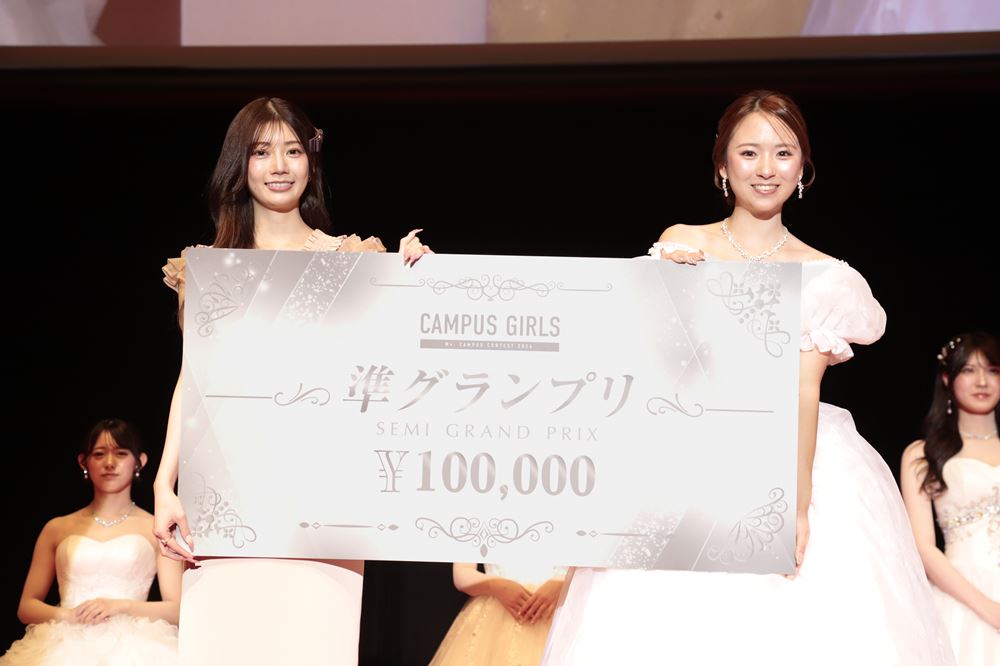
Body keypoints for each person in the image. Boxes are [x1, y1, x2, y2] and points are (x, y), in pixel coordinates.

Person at [541, 90, 955, 665]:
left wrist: (796, 506)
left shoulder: (825, 276)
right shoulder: (684, 243)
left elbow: (803, 390)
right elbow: (638, 361)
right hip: (684, 461)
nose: (766, 169)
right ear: (722, 165)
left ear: (803, 168)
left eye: (783, 154)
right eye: (749, 152)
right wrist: (668, 292)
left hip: (791, 458)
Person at [154, 96, 431, 666]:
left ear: (311, 161)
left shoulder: (350, 260)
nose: (279, 166)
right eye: (261, 152)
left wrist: (413, 284)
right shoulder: (211, 267)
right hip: (228, 500)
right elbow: (194, 379)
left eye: (293, 151)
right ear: (239, 164)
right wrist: (164, 484)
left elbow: (387, 368)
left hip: (319, 502)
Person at [1, 418, 180, 665]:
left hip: (134, 646)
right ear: (83, 462)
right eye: (99, 454)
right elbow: (27, 607)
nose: (109, 463)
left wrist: (120, 606)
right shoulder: (57, 528)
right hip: (63, 642)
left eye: (121, 453)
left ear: (140, 461)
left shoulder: (157, 528)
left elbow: (177, 608)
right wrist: (69, 615)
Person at [900, 332, 999, 665]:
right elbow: (923, 548)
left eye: (993, 370)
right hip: (960, 597)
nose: (982, 381)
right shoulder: (922, 454)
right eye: (969, 370)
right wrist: (989, 609)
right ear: (947, 378)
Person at [429, 562, 565, 666]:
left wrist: (563, 583)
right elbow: (462, 573)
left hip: (561, 612)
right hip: (495, 617)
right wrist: (497, 586)